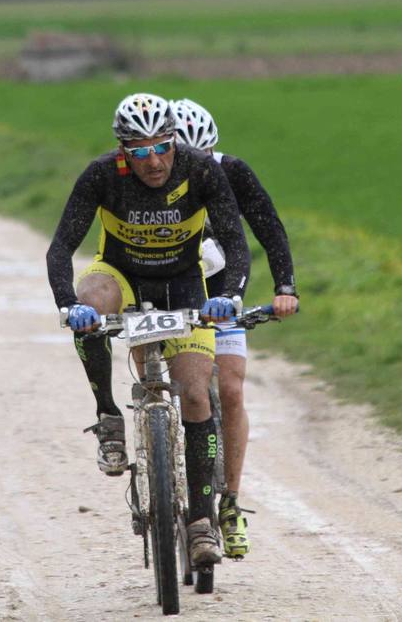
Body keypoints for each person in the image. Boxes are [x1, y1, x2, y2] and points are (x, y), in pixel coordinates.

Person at [47, 92, 252, 567]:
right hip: (124, 275)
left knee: (198, 394)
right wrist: (68, 305)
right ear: (123, 151)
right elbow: (60, 250)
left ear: (175, 142)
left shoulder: (200, 169)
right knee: (91, 298)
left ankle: (201, 523)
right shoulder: (101, 175)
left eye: (162, 146)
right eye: (139, 151)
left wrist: (231, 295)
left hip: (183, 283)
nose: (153, 160)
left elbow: (238, 244)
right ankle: (109, 418)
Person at [172, 97, 299, 560]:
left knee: (230, 388)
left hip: (220, 295)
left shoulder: (233, 171)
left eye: (204, 159)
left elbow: (268, 227)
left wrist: (286, 286)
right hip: (166, 293)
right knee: (174, 387)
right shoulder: (146, 182)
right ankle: (158, 451)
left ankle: (229, 501)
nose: (197, 170)